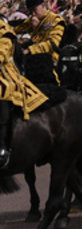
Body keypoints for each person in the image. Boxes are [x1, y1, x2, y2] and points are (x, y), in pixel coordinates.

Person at [0, 15, 48, 168]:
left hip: (5, 74)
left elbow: (1, 55)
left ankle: (2, 146)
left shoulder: (4, 31)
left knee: (1, 92)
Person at [23, 0, 62, 85]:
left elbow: (53, 43)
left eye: (34, 10)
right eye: (30, 12)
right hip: (33, 61)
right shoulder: (33, 19)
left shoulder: (56, 20)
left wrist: (29, 49)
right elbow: (17, 27)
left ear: (43, 5)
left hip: (51, 64)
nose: (33, 14)